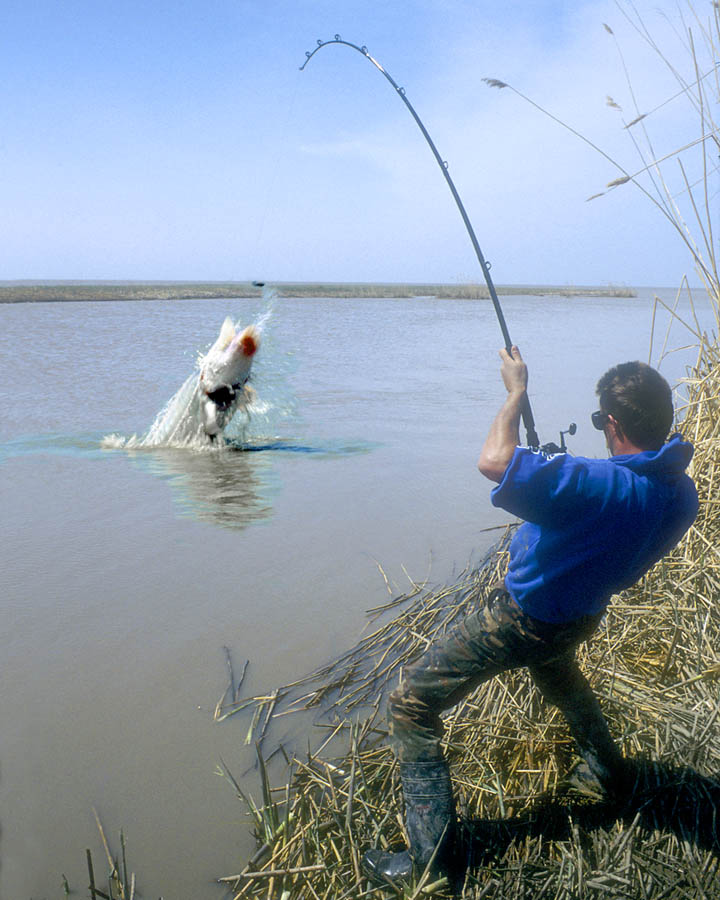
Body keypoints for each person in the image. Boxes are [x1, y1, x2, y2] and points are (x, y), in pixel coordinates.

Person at [361, 346, 698, 888]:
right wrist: (554, 481)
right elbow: (604, 521)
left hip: (524, 619)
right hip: (581, 613)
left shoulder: (598, 485)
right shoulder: (682, 493)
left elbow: (493, 460)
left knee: (411, 702)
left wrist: (515, 391)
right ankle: (610, 771)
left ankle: (430, 867)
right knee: (561, 678)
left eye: (599, 422)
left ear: (612, 423)